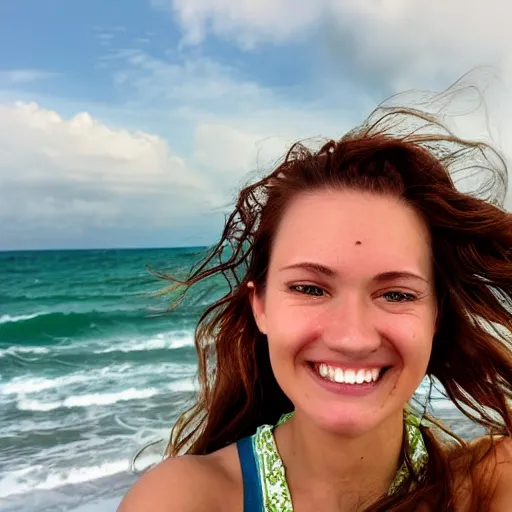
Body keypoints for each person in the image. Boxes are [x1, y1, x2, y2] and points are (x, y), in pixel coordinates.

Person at [118, 79, 512, 511]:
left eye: (397, 295)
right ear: (261, 306)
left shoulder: (491, 486)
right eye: (309, 288)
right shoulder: (183, 499)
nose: (352, 337)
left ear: (436, 317)